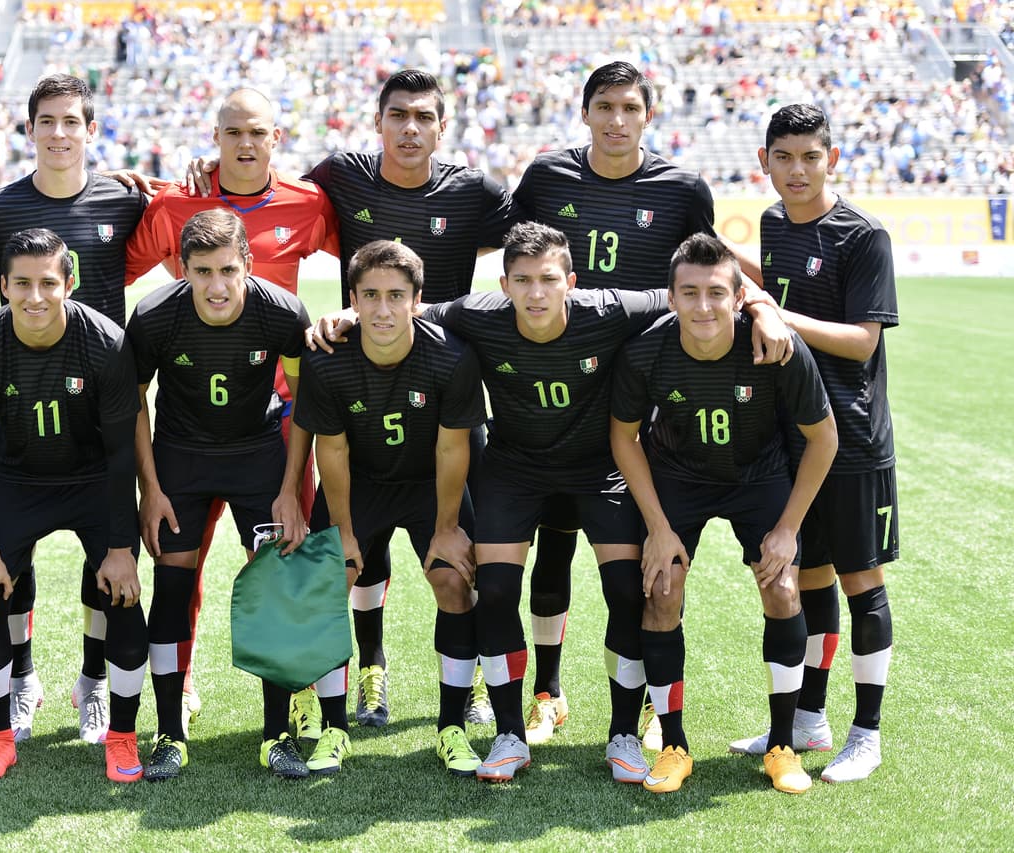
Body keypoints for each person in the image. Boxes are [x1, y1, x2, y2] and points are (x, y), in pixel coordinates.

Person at [311, 221, 792, 784]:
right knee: (492, 588)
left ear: (572, 281)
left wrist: (762, 307)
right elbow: (413, 307)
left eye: (547, 279)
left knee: (624, 588)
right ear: (505, 283)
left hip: (600, 469)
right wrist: (348, 315)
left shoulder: (609, 309)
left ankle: (623, 736)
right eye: (522, 281)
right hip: (515, 470)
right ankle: (510, 735)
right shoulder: (479, 314)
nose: (536, 293)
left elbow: (696, 294)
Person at [511, 60, 733, 747]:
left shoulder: (682, 188)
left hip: (645, 401)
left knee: (642, 559)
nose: (616, 119)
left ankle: (638, 699)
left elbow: (708, 266)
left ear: (647, 114)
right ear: (585, 112)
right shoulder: (547, 179)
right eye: (604, 106)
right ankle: (547, 690)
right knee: (551, 550)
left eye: (629, 107)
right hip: (560, 396)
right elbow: (519, 262)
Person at [300, 69, 524, 727]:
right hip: (361, 388)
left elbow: (540, 244)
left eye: (424, 117)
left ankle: (475, 678)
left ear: (442, 126)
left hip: (447, 399)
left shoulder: (474, 192)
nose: (410, 129)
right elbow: (274, 201)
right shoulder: (340, 176)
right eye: (398, 115)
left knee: (461, 558)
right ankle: (370, 671)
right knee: (352, 560)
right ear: (378, 122)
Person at [124, 88, 338, 733]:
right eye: (233, 132)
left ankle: (294, 699)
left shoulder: (310, 203)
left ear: (277, 137)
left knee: (282, 570)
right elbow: (112, 270)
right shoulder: (173, 201)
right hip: (187, 421)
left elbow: (367, 261)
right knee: (176, 572)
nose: (246, 143)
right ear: (214, 136)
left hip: (272, 421)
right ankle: (177, 689)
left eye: (259, 132)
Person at [609, 232, 838, 795]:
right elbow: (624, 437)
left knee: (782, 587)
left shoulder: (777, 348)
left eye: (716, 292)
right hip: (679, 477)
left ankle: (783, 745)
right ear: (671, 297)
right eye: (689, 293)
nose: (703, 306)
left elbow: (824, 439)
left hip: (757, 476)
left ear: (740, 298)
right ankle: (674, 745)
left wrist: (787, 530)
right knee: (662, 590)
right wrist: (659, 530)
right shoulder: (647, 351)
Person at [0, 73, 148, 746]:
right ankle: (20, 676)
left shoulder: (124, 198)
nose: (58, 133)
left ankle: (93, 681)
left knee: (103, 553)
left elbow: (186, 228)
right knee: (14, 553)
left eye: (71, 121)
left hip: (104, 404)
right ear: (29, 130)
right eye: (46, 121)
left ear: (91, 130)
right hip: (22, 397)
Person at [728, 104, 899, 784]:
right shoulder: (772, 223)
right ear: (764, 160)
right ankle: (808, 717)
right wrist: (730, 265)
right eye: (784, 157)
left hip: (853, 437)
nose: (797, 170)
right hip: (792, 431)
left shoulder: (865, 235)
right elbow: (776, 278)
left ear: (832, 158)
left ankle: (867, 732)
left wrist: (774, 312)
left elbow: (862, 340)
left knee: (862, 580)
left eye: (810, 157)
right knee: (811, 576)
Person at [0, 228, 147, 783]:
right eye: (22, 284)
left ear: (70, 282)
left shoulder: (105, 342)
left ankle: (122, 736)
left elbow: (118, 454)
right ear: (3, 285)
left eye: (47, 283)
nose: (35, 297)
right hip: (15, 481)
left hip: (91, 480)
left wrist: (119, 547)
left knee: (123, 594)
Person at [126, 209, 312, 780]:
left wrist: (289, 490)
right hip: (181, 460)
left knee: (275, 590)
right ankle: (169, 735)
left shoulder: (282, 311)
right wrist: (151, 489)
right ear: (182, 270)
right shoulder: (155, 315)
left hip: (259, 458)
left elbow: (305, 403)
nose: (216, 286)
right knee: (172, 588)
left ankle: (277, 734)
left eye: (228, 270)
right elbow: (134, 403)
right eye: (202, 271)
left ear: (248, 265)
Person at [290, 241, 486, 776]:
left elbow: (452, 448)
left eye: (396, 296)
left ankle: (451, 726)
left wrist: (447, 528)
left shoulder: (451, 355)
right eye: (370, 296)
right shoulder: (327, 359)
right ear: (351, 299)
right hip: (362, 483)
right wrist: (345, 532)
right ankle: (334, 728)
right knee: (332, 578)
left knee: (452, 579)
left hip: (428, 483)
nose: (382, 309)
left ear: (417, 301)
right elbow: (329, 450)